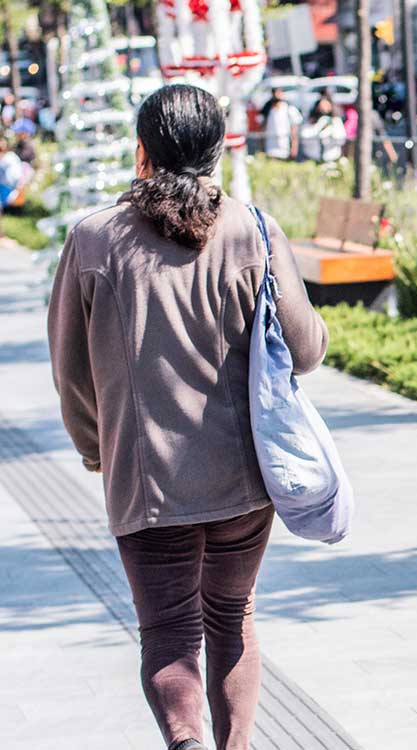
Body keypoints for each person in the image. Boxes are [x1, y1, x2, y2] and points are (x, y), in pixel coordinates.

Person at [47, 84, 328, 750]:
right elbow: (307, 349)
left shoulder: (93, 239)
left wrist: (99, 449)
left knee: (168, 631)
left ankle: (187, 743)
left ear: (141, 152)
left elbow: (70, 372)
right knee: (231, 618)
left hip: (146, 486)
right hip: (244, 482)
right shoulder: (252, 229)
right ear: (218, 151)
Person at [300, 96, 346, 163]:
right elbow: (304, 135)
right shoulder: (312, 121)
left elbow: (341, 139)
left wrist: (331, 132)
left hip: (332, 158)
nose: (324, 108)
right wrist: (318, 129)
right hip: (314, 158)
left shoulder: (336, 121)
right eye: (321, 106)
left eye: (326, 105)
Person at [261, 88, 301, 160]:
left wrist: (294, 147)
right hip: (270, 150)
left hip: (285, 149)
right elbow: (263, 128)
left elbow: (294, 130)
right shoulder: (268, 109)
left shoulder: (289, 109)